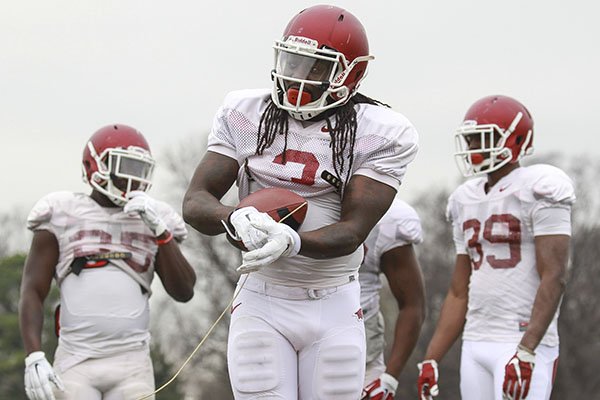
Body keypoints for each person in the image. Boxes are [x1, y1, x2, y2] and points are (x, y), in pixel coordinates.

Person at [182, 4, 419, 399]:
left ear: (350, 73)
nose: (297, 76)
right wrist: (232, 217)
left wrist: (294, 242)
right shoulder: (247, 112)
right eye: (292, 61)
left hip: (334, 302)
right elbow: (195, 201)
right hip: (262, 298)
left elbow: (352, 231)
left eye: (314, 67)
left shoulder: (381, 131)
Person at [19, 124, 196, 400]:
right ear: (94, 166)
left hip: (132, 363)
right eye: (124, 167)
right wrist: (34, 355)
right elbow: (32, 290)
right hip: (76, 359)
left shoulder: (154, 217)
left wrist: (161, 232)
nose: (133, 179)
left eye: (139, 170)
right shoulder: (62, 213)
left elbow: (184, 291)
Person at [416, 95, 575, 400]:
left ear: (515, 140)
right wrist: (432, 356)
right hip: (476, 339)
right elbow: (459, 290)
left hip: (520, 339)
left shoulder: (541, 187)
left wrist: (527, 349)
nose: (474, 148)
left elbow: (554, 276)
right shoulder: (464, 198)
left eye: (482, 139)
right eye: (472, 140)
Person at [360, 198, 426, 400]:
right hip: (286, 342)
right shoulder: (288, 199)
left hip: (363, 355)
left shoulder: (388, 217)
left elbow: (413, 304)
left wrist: (389, 379)